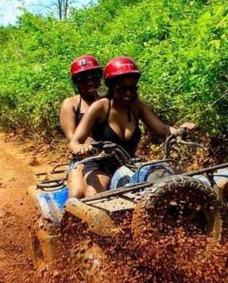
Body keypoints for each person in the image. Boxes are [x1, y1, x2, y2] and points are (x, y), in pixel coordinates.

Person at [68, 56, 195, 197]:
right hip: (100, 167)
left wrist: (179, 130)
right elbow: (74, 141)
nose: (128, 93)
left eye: (132, 88)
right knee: (96, 199)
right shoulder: (100, 107)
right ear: (111, 87)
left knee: (174, 184)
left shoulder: (137, 106)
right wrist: (81, 148)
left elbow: (163, 130)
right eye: (122, 89)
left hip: (128, 165)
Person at [60, 55, 103, 198]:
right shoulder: (71, 104)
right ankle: (68, 220)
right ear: (76, 82)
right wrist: (82, 148)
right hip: (83, 159)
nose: (90, 81)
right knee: (77, 194)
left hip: (110, 156)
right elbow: (72, 137)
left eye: (93, 76)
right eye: (84, 78)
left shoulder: (107, 101)